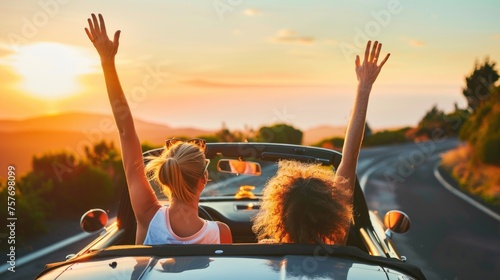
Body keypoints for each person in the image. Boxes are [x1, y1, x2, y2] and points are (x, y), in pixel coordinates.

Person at [84, 14, 232, 245]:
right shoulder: (221, 233)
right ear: (203, 179)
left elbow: (126, 132)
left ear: (166, 179)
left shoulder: (148, 215)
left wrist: (107, 62)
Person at [252, 40, 390, 244]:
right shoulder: (335, 241)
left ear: (279, 213)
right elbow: (349, 158)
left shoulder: (268, 250)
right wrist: (364, 87)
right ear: (330, 209)